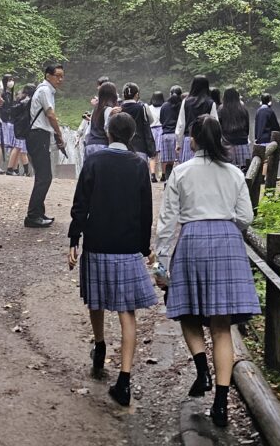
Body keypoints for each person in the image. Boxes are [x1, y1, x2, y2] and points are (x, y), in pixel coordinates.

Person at [154, 115, 260, 428]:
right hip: (227, 240)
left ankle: (202, 370)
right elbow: (246, 217)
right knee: (222, 326)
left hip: (193, 239)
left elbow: (166, 220)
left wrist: (161, 260)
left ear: (194, 140)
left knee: (186, 312)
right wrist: (226, 226)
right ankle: (222, 404)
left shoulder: (181, 172)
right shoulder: (234, 173)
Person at [68, 111, 157, 408]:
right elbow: (146, 211)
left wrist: (74, 240)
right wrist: (145, 247)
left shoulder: (94, 160)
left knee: (96, 299)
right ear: (132, 136)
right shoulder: (139, 165)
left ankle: (100, 344)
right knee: (126, 311)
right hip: (128, 244)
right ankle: (124, 379)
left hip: (98, 240)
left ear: (108, 132)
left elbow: (80, 203)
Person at [24, 61, 66, 228]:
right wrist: (59, 133)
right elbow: (50, 114)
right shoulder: (45, 90)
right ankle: (33, 216)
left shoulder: (45, 90)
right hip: (38, 136)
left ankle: (38, 213)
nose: (60, 79)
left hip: (39, 136)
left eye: (62, 76)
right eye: (58, 76)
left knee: (43, 176)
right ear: (48, 76)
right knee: (44, 177)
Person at [175, 75, 218, 163]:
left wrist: (178, 143)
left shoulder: (185, 102)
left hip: (190, 140)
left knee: (188, 169)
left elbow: (181, 124)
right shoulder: (210, 103)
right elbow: (215, 124)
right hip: (206, 141)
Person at [120, 84, 156, 163]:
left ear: (123, 95)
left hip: (123, 148)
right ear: (136, 95)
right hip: (140, 147)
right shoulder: (142, 107)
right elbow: (150, 121)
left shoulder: (119, 109)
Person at [218, 87, 251, 171]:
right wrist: (245, 136)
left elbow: (219, 126)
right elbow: (247, 126)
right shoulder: (243, 108)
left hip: (227, 143)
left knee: (229, 169)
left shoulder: (221, 109)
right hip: (242, 142)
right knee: (245, 168)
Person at [84, 81, 119, 156]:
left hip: (90, 146)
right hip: (102, 146)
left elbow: (88, 131)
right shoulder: (108, 109)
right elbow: (107, 129)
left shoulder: (95, 110)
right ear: (113, 95)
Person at [159, 86, 182, 181]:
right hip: (177, 135)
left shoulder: (164, 106)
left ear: (170, 94)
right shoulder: (181, 105)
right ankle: (178, 182)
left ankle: (167, 182)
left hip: (166, 136)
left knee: (169, 162)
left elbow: (161, 120)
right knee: (179, 161)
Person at [148, 91, 164, 183]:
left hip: (152, 130)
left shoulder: (149, 108)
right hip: (162, 130)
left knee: (153, 155)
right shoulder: (164, 107)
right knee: (162, 154)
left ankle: (153, 175)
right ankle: (163, 174)